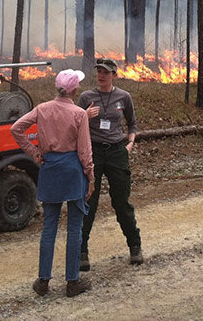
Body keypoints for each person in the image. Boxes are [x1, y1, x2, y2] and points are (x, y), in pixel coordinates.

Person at [10, 69, 94, 298]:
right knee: (75, 226)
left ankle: (43, 281)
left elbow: (15, 128)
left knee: (49, 227)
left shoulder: (42, 109)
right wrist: (91, 176)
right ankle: (72, 281)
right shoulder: (79, 114)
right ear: (75, 90)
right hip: (73, 170)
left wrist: (33, 152)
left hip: (49, 169)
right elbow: (85, 151)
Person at [77, 58, 142, 270]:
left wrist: (130, 143)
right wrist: (84, 116)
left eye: (106, 72)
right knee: (88, 202)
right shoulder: (87, 97)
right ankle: (81, 252)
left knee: (121, 202)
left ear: (114, 75)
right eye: (99, 71)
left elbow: (132, 123)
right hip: (93, 152)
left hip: (116, 152)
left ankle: (134, 246)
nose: (101, 75)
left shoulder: (124, 97)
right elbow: (73, 124)